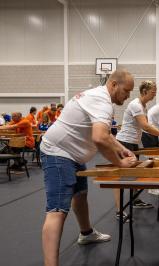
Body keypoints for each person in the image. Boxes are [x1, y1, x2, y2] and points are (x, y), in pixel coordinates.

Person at [39, 69, 137, 266]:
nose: (128, 96)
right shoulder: (102, 101)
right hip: (58, 152)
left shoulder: (100, 98)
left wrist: (122, 148)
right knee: (57, 210)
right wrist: (120, 162)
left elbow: (106, 134)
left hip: (73, 153)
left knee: (80, 195)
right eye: (126, 91)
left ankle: (86, 233)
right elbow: (99, 138)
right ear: (114, 85)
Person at [115, 80, 159, 215]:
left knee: (135, 172)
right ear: (144, 92)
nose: (154, 95)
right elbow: (145, 126)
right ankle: (119, 210)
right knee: (122, 176)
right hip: (124, 142)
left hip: (133, 142)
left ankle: (134, 200)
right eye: (153, 92)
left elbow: (148, 125)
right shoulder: (136, 105)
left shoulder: (143, 106)